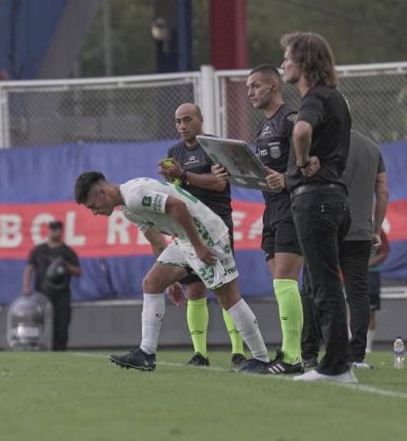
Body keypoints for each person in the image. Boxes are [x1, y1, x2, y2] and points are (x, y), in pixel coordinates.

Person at [74, 171, 269, 371]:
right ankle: (146, 353)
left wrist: (199, 246)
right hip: (186, 239)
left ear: (101, 192)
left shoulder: (134, 196)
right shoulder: (127, 208)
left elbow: (178, 206)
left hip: (206, 235)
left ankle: (261, 358)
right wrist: (171, 279)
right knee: (152, 283)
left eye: (92, 207)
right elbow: (156, 240)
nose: (94, 212)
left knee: (228, 298)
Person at [214, 64, 305, 375]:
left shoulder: (291, 120)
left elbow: (312, 162)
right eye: (248, 86)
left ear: (274, 86)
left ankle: (293, 357)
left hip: (293, 207)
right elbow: (261, 176)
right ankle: (294, 350)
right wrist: (229, 172)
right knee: (281, 286)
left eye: (255, 86)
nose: (250, 92)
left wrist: (289, 179)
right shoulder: (263, 127)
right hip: (272, 210)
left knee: (285, 282)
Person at [281, 32, 355, 383]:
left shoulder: (314, 98)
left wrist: (303, 159)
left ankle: (336, 366)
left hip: (316, 199)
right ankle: (341, 363)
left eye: (287, 56)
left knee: (323, 285)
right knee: (324, 283)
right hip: (334, 198)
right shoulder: (336, 98)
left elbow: (301, 130)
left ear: (305, 62)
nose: (283, 63)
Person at [157, 103, 247, 369]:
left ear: (200, 120)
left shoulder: (214, 146)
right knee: (194, 289)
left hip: (217, 225)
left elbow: (219, 183)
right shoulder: (173, 152)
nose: (182, 126)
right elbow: (176, 191)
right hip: (188, 228)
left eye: (187, 120)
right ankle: (200, 354)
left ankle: (238, 352)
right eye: (178, 121)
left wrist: (183, 174)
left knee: (225, 288)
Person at [300, 130, 389, 371]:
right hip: (360, 230)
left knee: (313, 287)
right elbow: (382, 192)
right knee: (358, 292)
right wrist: (376, 229)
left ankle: (310, 352)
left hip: (327, 227)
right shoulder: (372, 148)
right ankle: (357, 354)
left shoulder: (324, 141)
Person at [22, 221, 81, 351]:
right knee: (41, 322)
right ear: (48, 231)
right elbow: (29, 268)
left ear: (61, 231)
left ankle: (60, 350)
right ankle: (41, 348)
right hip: (42, 294)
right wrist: (26, 287)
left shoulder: (67, 252)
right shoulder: (39, 250)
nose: (54, 232)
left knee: (62, 323)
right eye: (52, 229)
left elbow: (78, 271)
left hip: (62, 294)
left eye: (57, 229)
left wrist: (65, 264)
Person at [366, 230, 389, 354]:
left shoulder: (377, 229)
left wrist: (368, 264)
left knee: (370, 312)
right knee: (352, 310)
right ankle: (353, 345)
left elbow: (384, 251)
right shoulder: (347, 224)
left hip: (371, 275)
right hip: (353, 273)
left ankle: (368, 347)